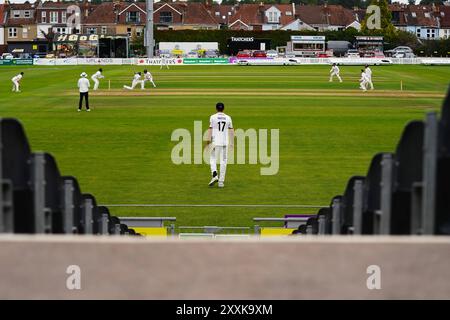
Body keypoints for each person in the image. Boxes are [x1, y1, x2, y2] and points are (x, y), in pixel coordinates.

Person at [207, 102, 234, 188]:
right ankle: (221, 182)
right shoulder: (228, 118)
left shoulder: (213, 117)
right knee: (224, 161)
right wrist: (232, 143)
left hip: (215, 142)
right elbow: (231, 130)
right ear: (223, 108)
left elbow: (210, 129)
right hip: (224, 142)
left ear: (216, 108)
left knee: (212, 158)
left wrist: (208, 141)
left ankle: (214, 174)